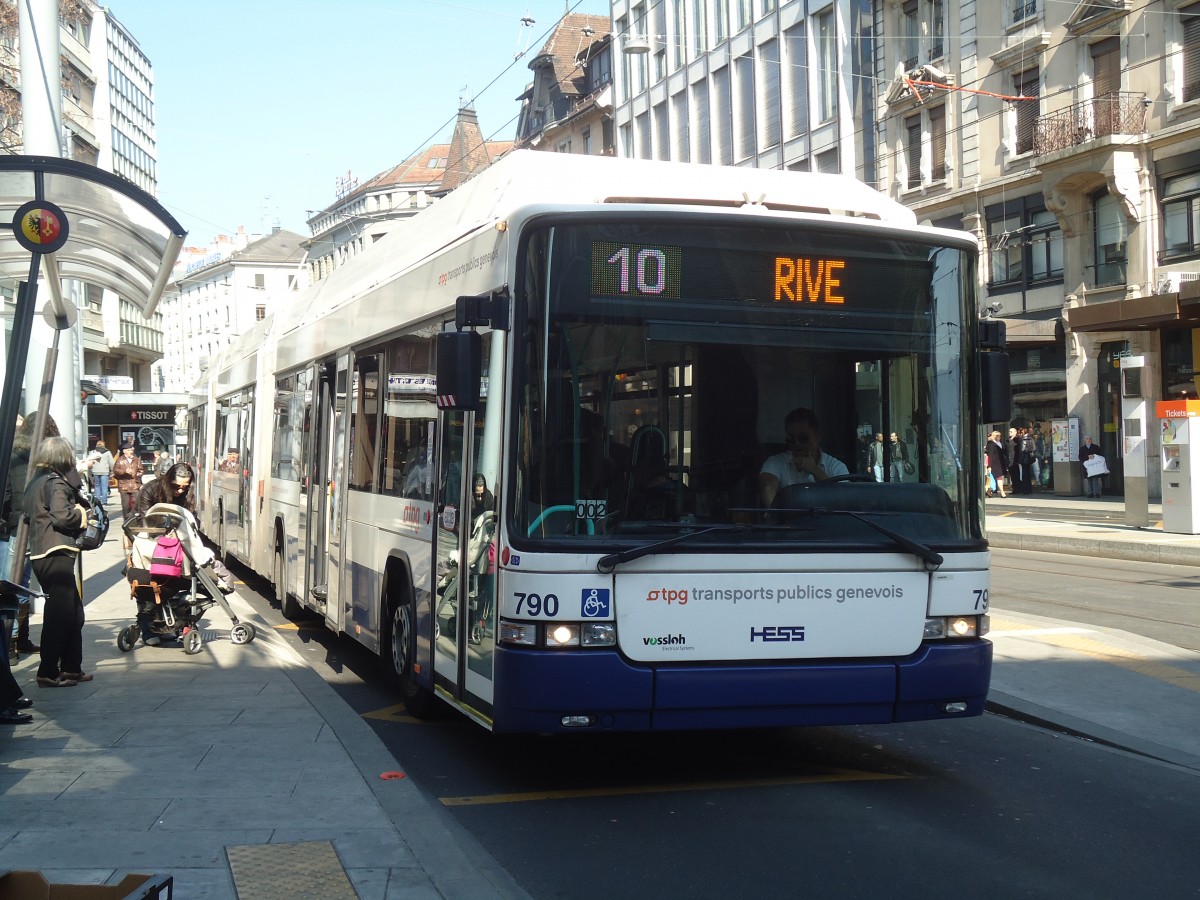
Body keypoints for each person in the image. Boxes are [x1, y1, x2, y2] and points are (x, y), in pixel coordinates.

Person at [131, 463, 234, 644]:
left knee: (180, 583)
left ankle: (173, 624)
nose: (180, 490)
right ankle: (148, 630)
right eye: (176, 486)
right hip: (148, 540)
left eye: (184, 487)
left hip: (176, 545)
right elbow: (143, 519)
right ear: (168, 480)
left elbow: (191, 520)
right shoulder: (150, 490)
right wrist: (162, 535)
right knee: (148, 584)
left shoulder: (187, 495)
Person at [25, 436, 91, 688]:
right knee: (60, 616)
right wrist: (81, 513)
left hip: (42, 552)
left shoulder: (36, 482)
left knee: (73, 613)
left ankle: (72, 668)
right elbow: (63, 517)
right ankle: (48, 671)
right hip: (56, 552)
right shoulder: (55, 483)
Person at [758, 407, 848, 506]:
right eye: (792, 440)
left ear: (817, 436)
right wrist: (773, 511)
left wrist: (815, 470)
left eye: (803, 438)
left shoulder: (837, 467)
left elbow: (844, 500)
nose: (797, 444)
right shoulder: (775, 462)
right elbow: (768, 487)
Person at [112, 442, 143, 520]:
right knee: (126, 505)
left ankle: (134, 519)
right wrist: (124, 471)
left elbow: (141, 470)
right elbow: (115, 470)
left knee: (136, 503)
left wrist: (138, 474)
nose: (131, 452)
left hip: (134, 484)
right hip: (124, 485)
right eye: (129, 450)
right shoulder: (120, 460)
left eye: (131, 450)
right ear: (124, 451)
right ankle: (126, 520)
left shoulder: (136, 460)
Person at [90, 440, 114, 505]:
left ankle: (97, 500)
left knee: (97, 486)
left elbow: (89, 461)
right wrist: (112, 470)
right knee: (104, 486)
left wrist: (90, 471)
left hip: (95, 471)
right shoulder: (107, 452)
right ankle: (104, 501)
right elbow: (111, 462)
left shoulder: (92, 452)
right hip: (105, 471)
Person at [985, 430, 1008, 498]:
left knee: (998, 477)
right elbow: (990, 455)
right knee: (994, 478)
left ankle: (998, 491)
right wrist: (989, 466)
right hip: (994, 463)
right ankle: (1000, 492)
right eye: (998, 436)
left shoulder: (1000, 443)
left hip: (1000, 463)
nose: (999, 437)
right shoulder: (991, 444)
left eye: (1000, 436)